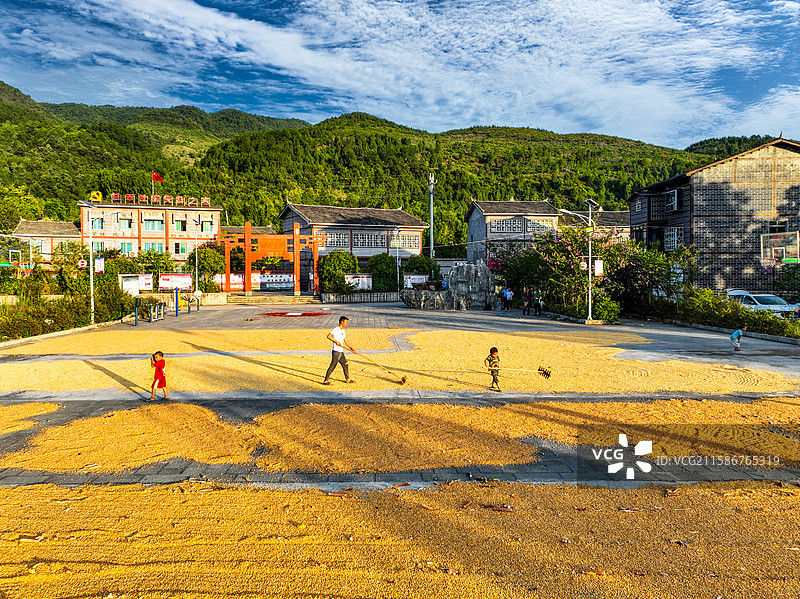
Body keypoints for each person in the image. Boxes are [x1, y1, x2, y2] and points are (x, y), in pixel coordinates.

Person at [323, 316, 355, 384]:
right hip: (336, 352)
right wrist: (336, 341)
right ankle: (326, 380)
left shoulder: (343, 331)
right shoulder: (336, 329)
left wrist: (350, 347)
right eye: (346, 322)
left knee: (345, 365)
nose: (346, 324)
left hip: (341, 352)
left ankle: (347, 379)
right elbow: (329, 336)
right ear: (342, 322)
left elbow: (345, 340)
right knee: (333, 365)